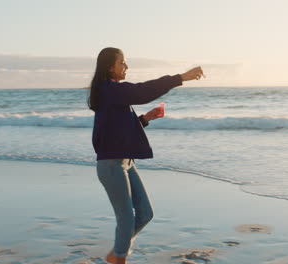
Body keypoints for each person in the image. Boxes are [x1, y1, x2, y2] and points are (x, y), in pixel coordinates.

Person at [87, 47, 204, 264]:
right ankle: (119, 258)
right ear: (109, 66)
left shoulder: (111, 92)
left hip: (124, 162)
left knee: (145, 214)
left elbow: (117, 131)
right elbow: (142, 91)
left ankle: (116, 253)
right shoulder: (110, 89)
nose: (126, 67)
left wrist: (145, 119)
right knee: (126, 218)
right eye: (122, 62)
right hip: (111, 165)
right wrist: (181, 78)